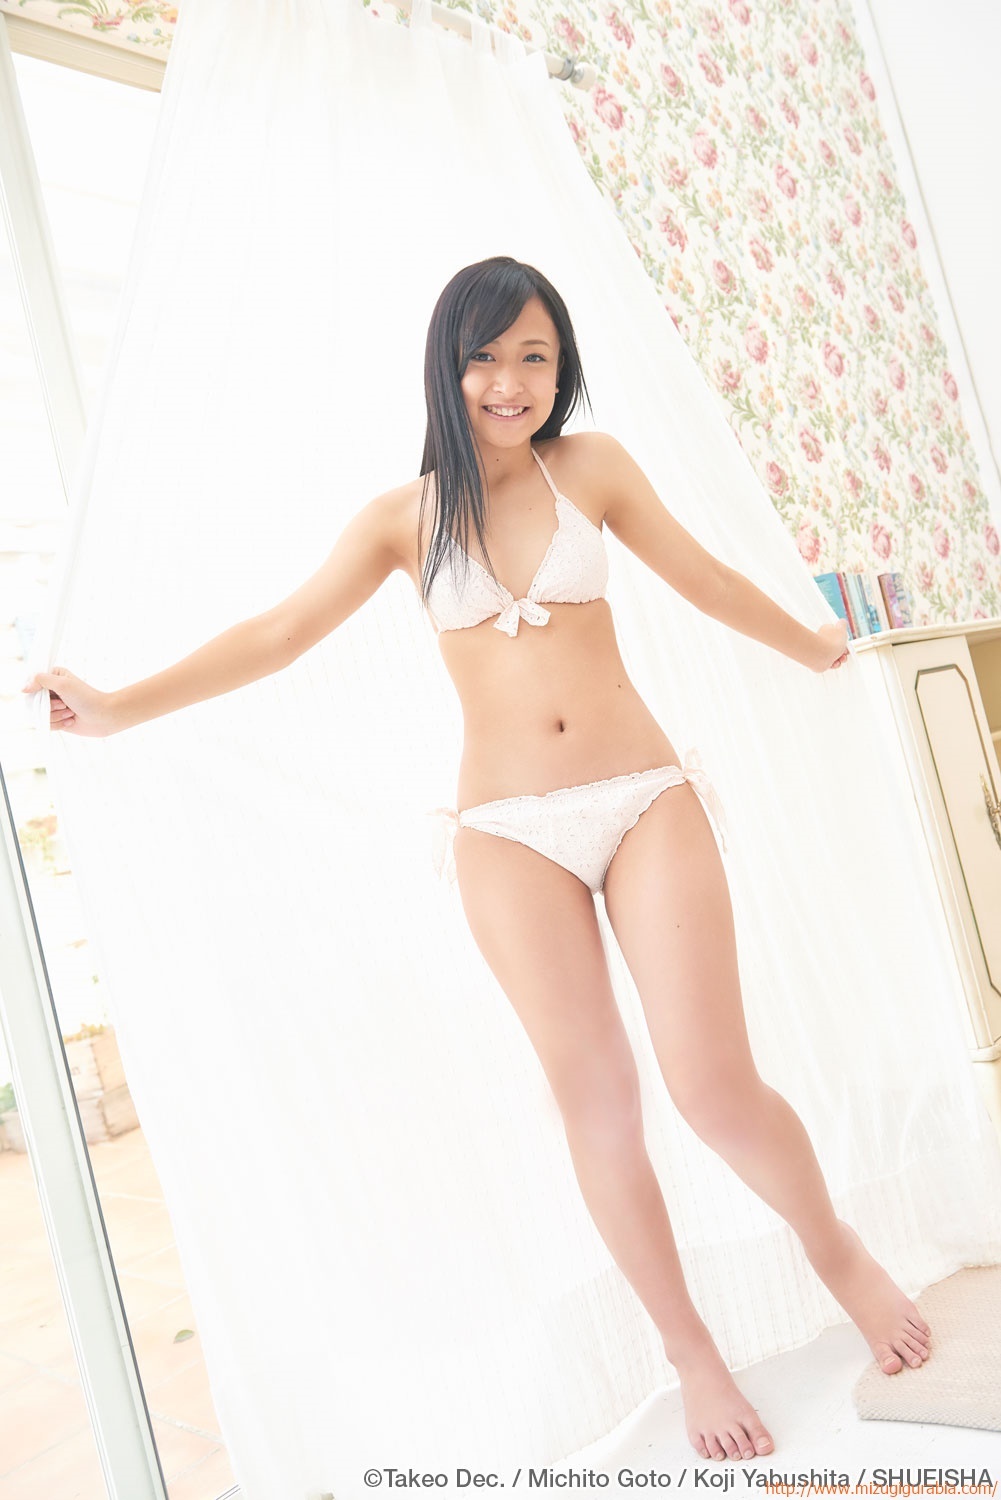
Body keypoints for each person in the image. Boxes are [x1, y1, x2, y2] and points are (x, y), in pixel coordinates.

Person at [23, 255, 929, 1464]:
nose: (510, 381)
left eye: (534, 357)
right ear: (446, 368)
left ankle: (840, 1258)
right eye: (486, 356)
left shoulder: (590, 468)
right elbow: (277, 633)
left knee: (710, 1085)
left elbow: (705, 580)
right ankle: (689, 1352)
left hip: (642, 797)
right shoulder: (399, 521)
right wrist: (119, 706)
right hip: (506, 835)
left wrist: (811, 644)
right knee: (597, 1104)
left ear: (561, 370)